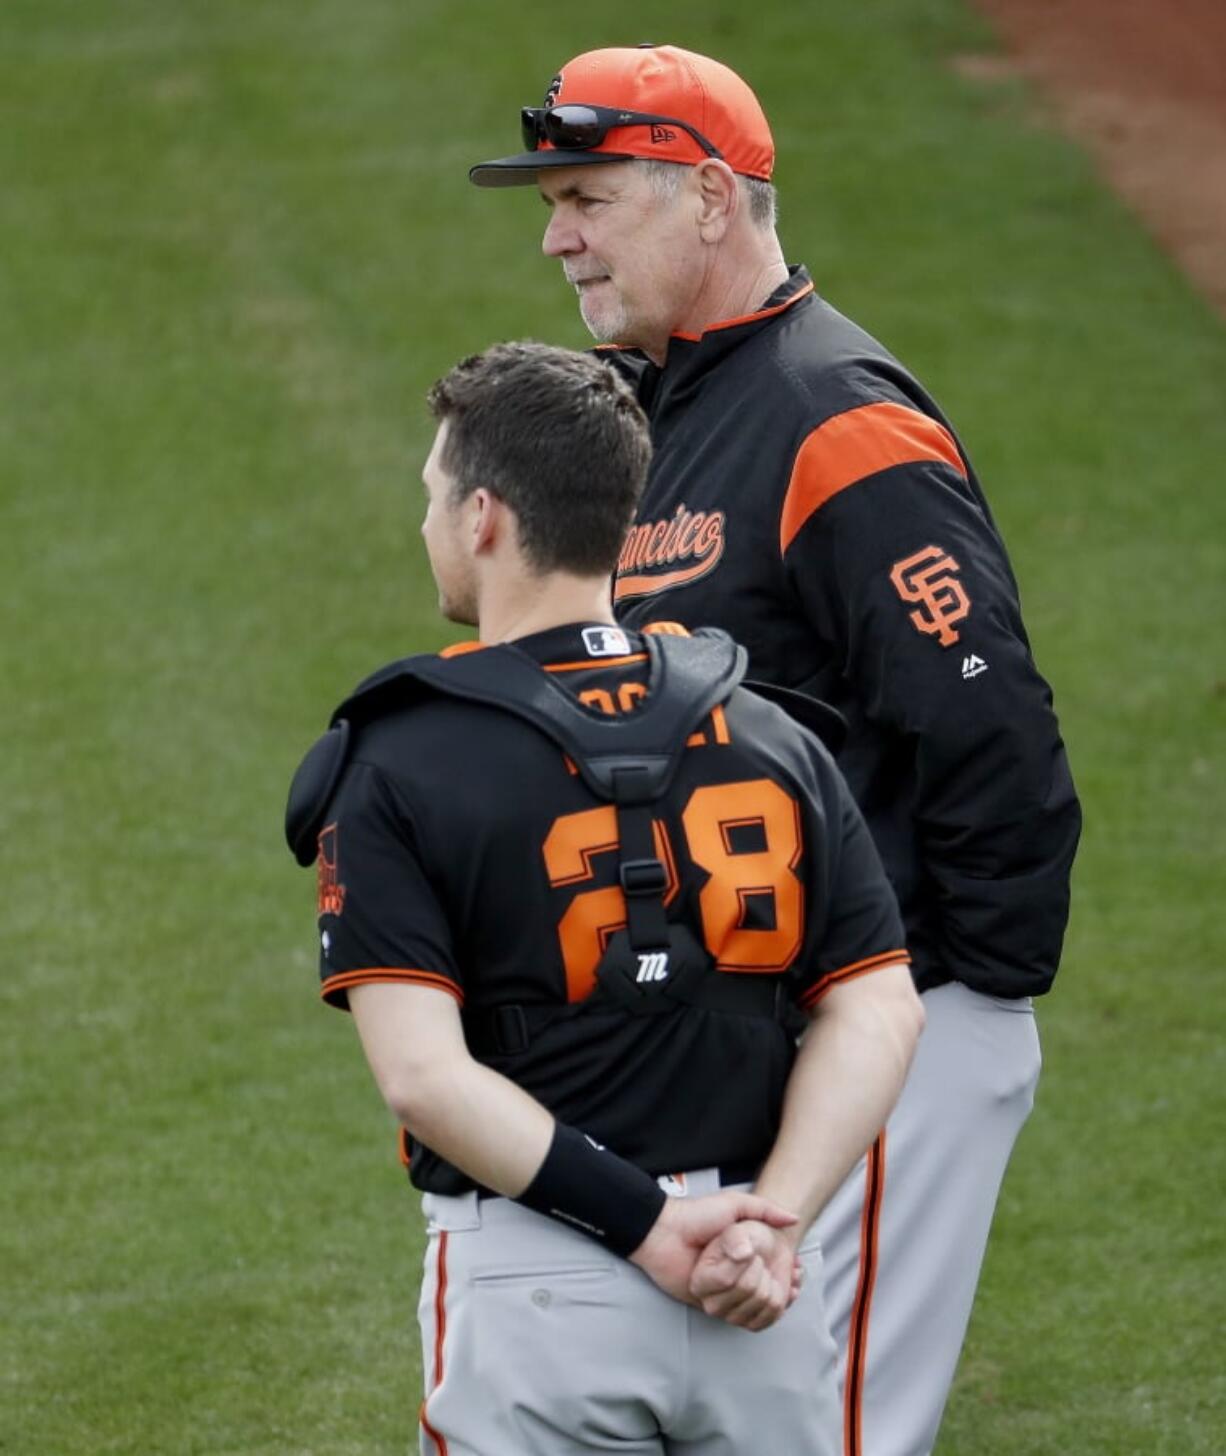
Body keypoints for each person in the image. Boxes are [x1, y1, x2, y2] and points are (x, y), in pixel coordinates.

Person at [469, 45, 1082, 1456]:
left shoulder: (831, 415)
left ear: (705, 197)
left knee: (840, 1427)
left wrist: (949, 992)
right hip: (779, 1028)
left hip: (896, 1020)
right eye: (551, 202)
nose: (556, 236)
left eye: (588, 198)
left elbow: (984, 715)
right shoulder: (673, 410)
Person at [284, 341, 924, 1455]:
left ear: (482, 515)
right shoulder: (770, 734)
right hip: (757, 1283)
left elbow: (425, 1079)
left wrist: (649, 1228)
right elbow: (879, 1006)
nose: (427, 519)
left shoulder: (399, 759)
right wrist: (769, 1224)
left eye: (433, 496)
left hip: (542, 1286)